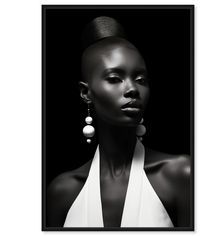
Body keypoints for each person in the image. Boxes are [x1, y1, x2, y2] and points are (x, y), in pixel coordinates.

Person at [46, 16, 191, 228]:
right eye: (115, 78)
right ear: (86, 92)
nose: (133, 89)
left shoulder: (180, 174)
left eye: (141, 80)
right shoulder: (62, 192)